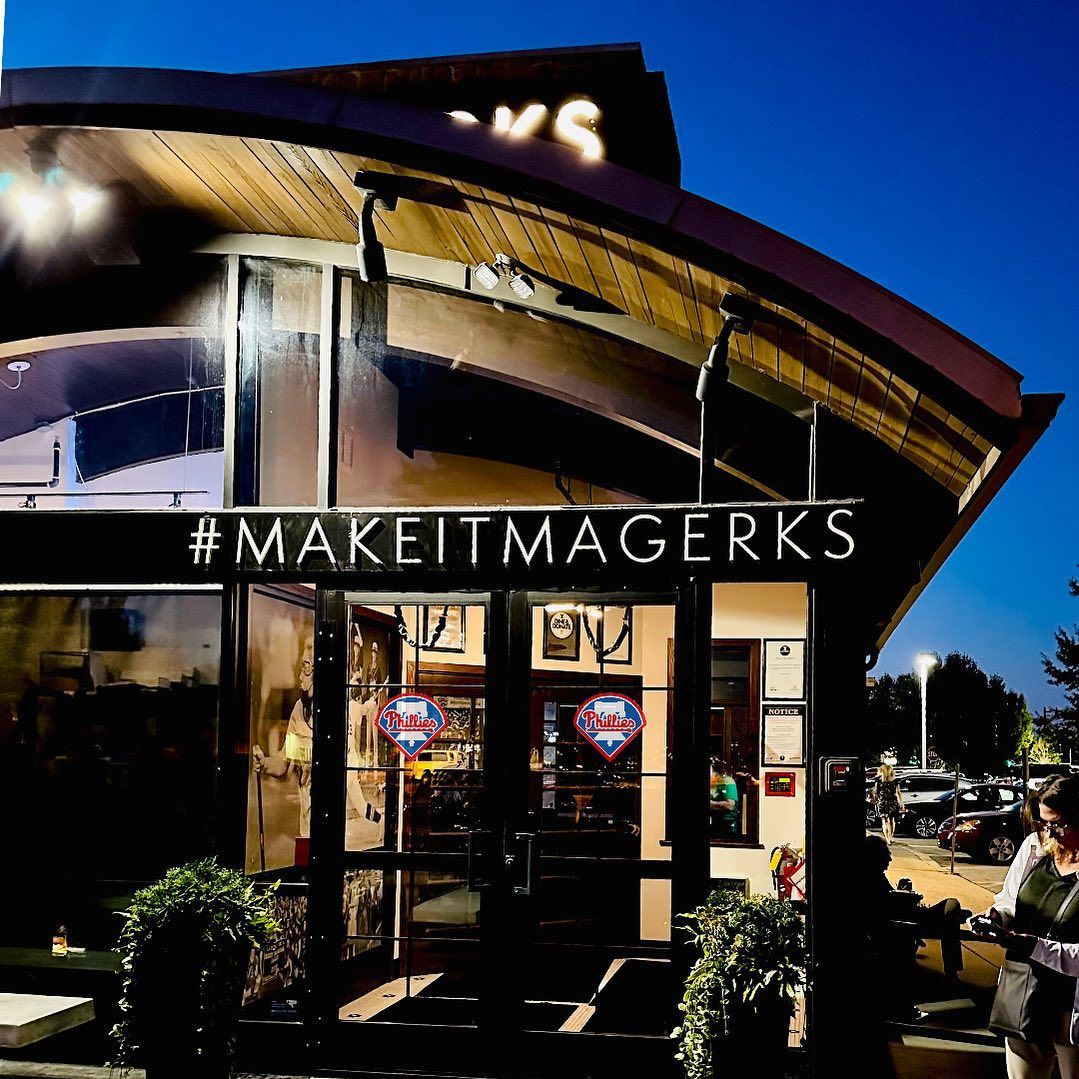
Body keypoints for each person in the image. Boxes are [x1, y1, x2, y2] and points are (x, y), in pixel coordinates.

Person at [974, 774, 1079, 1078]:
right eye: (1043, 823)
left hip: (1070, 1003)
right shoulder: (1035, 847)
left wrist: (1032, 946)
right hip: (1024, 990)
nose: (1050, 833)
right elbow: (1009, 901)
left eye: (1058, 825)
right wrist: (996, 917)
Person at [861, 834, 969, 1018]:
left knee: (952, 910)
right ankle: (952, 972)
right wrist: (909, 900)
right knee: (952, 904)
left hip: (906, 917)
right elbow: (889, 906)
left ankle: (955, 918)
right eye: (886, 854)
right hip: (910, 920)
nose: (890, 858)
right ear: (876, 856)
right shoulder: (873, 878)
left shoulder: (872, 876)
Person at [872, 763, 904, 845]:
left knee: (884, 820)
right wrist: (901, 803)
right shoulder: (895, 781)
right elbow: (898, 793)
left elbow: (875, 792)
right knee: (892, 820)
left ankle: (887, 838)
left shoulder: (879, 781)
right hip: (892, 802)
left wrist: (875, 800)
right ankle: (890, 836)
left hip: (882, 802)